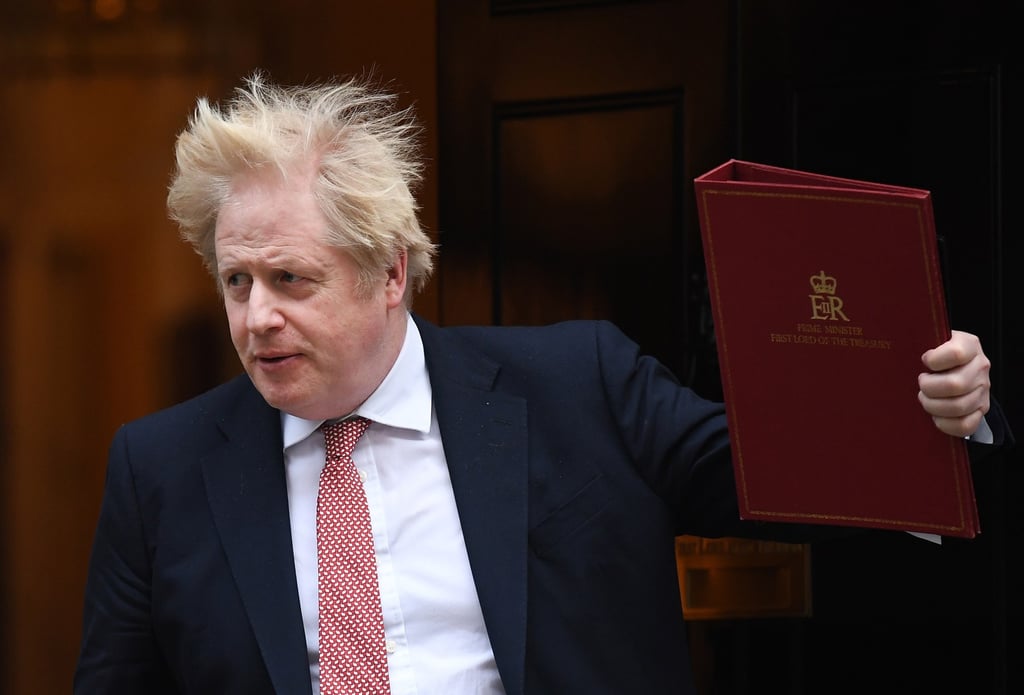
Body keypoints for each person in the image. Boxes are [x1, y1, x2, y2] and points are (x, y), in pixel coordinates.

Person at [74, 72, 1010, 695]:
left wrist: (940, 411)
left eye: (291, 279)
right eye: (236, 281)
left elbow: (790, 476)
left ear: (392, 273)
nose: (255, 316)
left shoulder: (580, 384)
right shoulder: (160, 469)